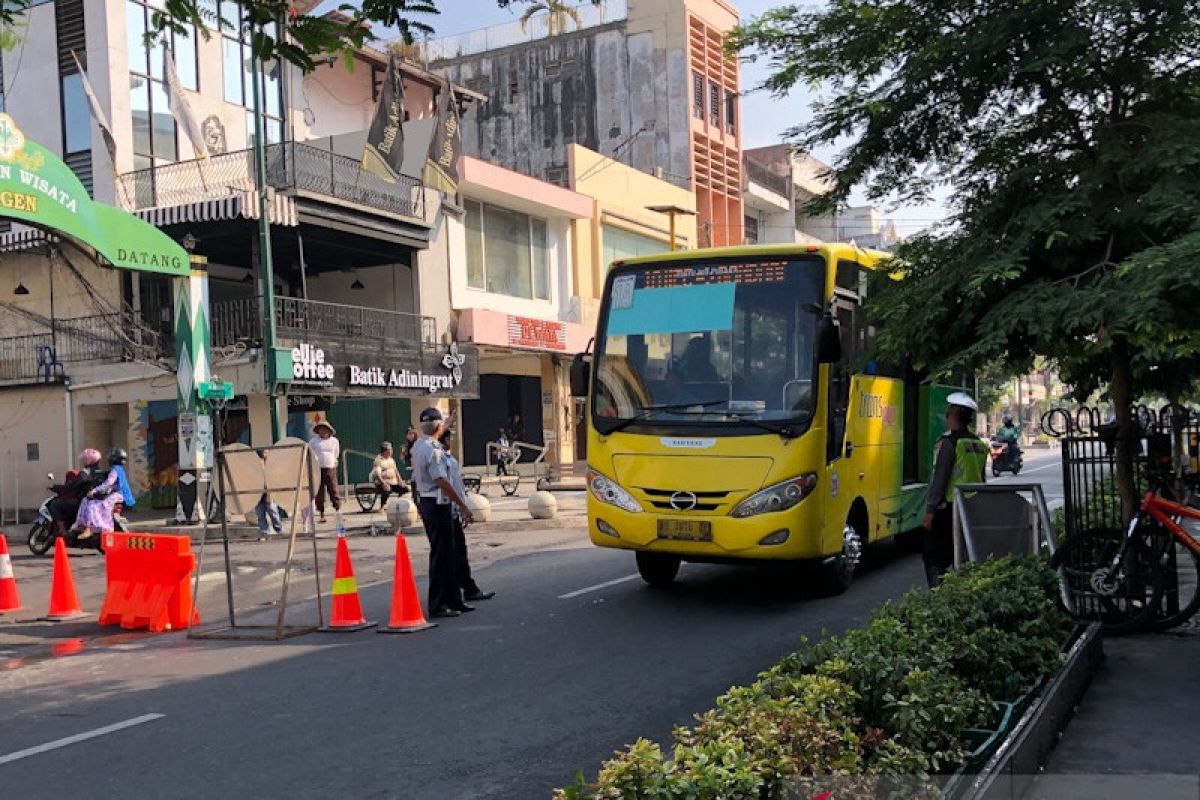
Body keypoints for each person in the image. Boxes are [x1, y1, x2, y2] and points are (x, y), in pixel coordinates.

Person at [409, 407, 475, 618]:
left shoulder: (419, 445)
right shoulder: (435, 451)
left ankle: (454, 599)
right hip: (437, 504)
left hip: (428, 503)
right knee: (441, 556)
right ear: (437, 427)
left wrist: (448, 421)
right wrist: (462, 506)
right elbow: (441, 480)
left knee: (448, 554)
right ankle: (438, 604)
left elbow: (435, 431)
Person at [921, 393, 988, 587]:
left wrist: (930, 512)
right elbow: (982, 477)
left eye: (948, 413)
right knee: (964, 556)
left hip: (948, 508)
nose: (946, 417)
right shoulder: (979, 444)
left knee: (933, 558)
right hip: (972, 507)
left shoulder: (949, 443)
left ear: (952, 416)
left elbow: (940, 479)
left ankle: (940, 597)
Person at [439, 426, 495, 603]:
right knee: (455, 554)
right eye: (450, 439)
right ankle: (460, 591)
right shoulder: (441, 458)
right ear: (446, 440)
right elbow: (448, 486)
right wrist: (462, 507)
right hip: (448, 509)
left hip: (453, 509)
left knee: (459, 552)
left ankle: (467, 587)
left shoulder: (447, 458)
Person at [74, 448, 136, 539]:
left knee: (93, 505)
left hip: (117, 495)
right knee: (85, 500)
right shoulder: (118, 469)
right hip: (117, 494)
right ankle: (82, 526)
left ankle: (91, 528)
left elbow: (108, 483)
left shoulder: (115, 470)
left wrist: (94, 490)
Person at [49, 449, 104, 539]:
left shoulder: (84, 474)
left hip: (82, 501)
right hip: (97, 501)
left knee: (55, 504)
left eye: (84, 459)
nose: (82, 461)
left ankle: (63, 532)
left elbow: (70, 487)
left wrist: (55, 487)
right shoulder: (100, 472)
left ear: (88, 460)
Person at [307, 420, 341, 524]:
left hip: (330, 467)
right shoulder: (314, 441)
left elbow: (336, 453)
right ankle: (322, 513)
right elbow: (310, 453)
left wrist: (333, 462)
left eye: (324, 429)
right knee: (319, 491)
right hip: (318, 468)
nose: (322, 431)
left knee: (333, 489)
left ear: (328, 430)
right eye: (320, 429)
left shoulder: (334, 441)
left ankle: (338, 511)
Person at [254, 449, 283, 540]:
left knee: (272, 511)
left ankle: (278, 529)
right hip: (258, 492)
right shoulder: (256, 465)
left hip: (269, 491)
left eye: (266, 452)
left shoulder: (272, 465)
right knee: (260, 513)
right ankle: (264, 532)